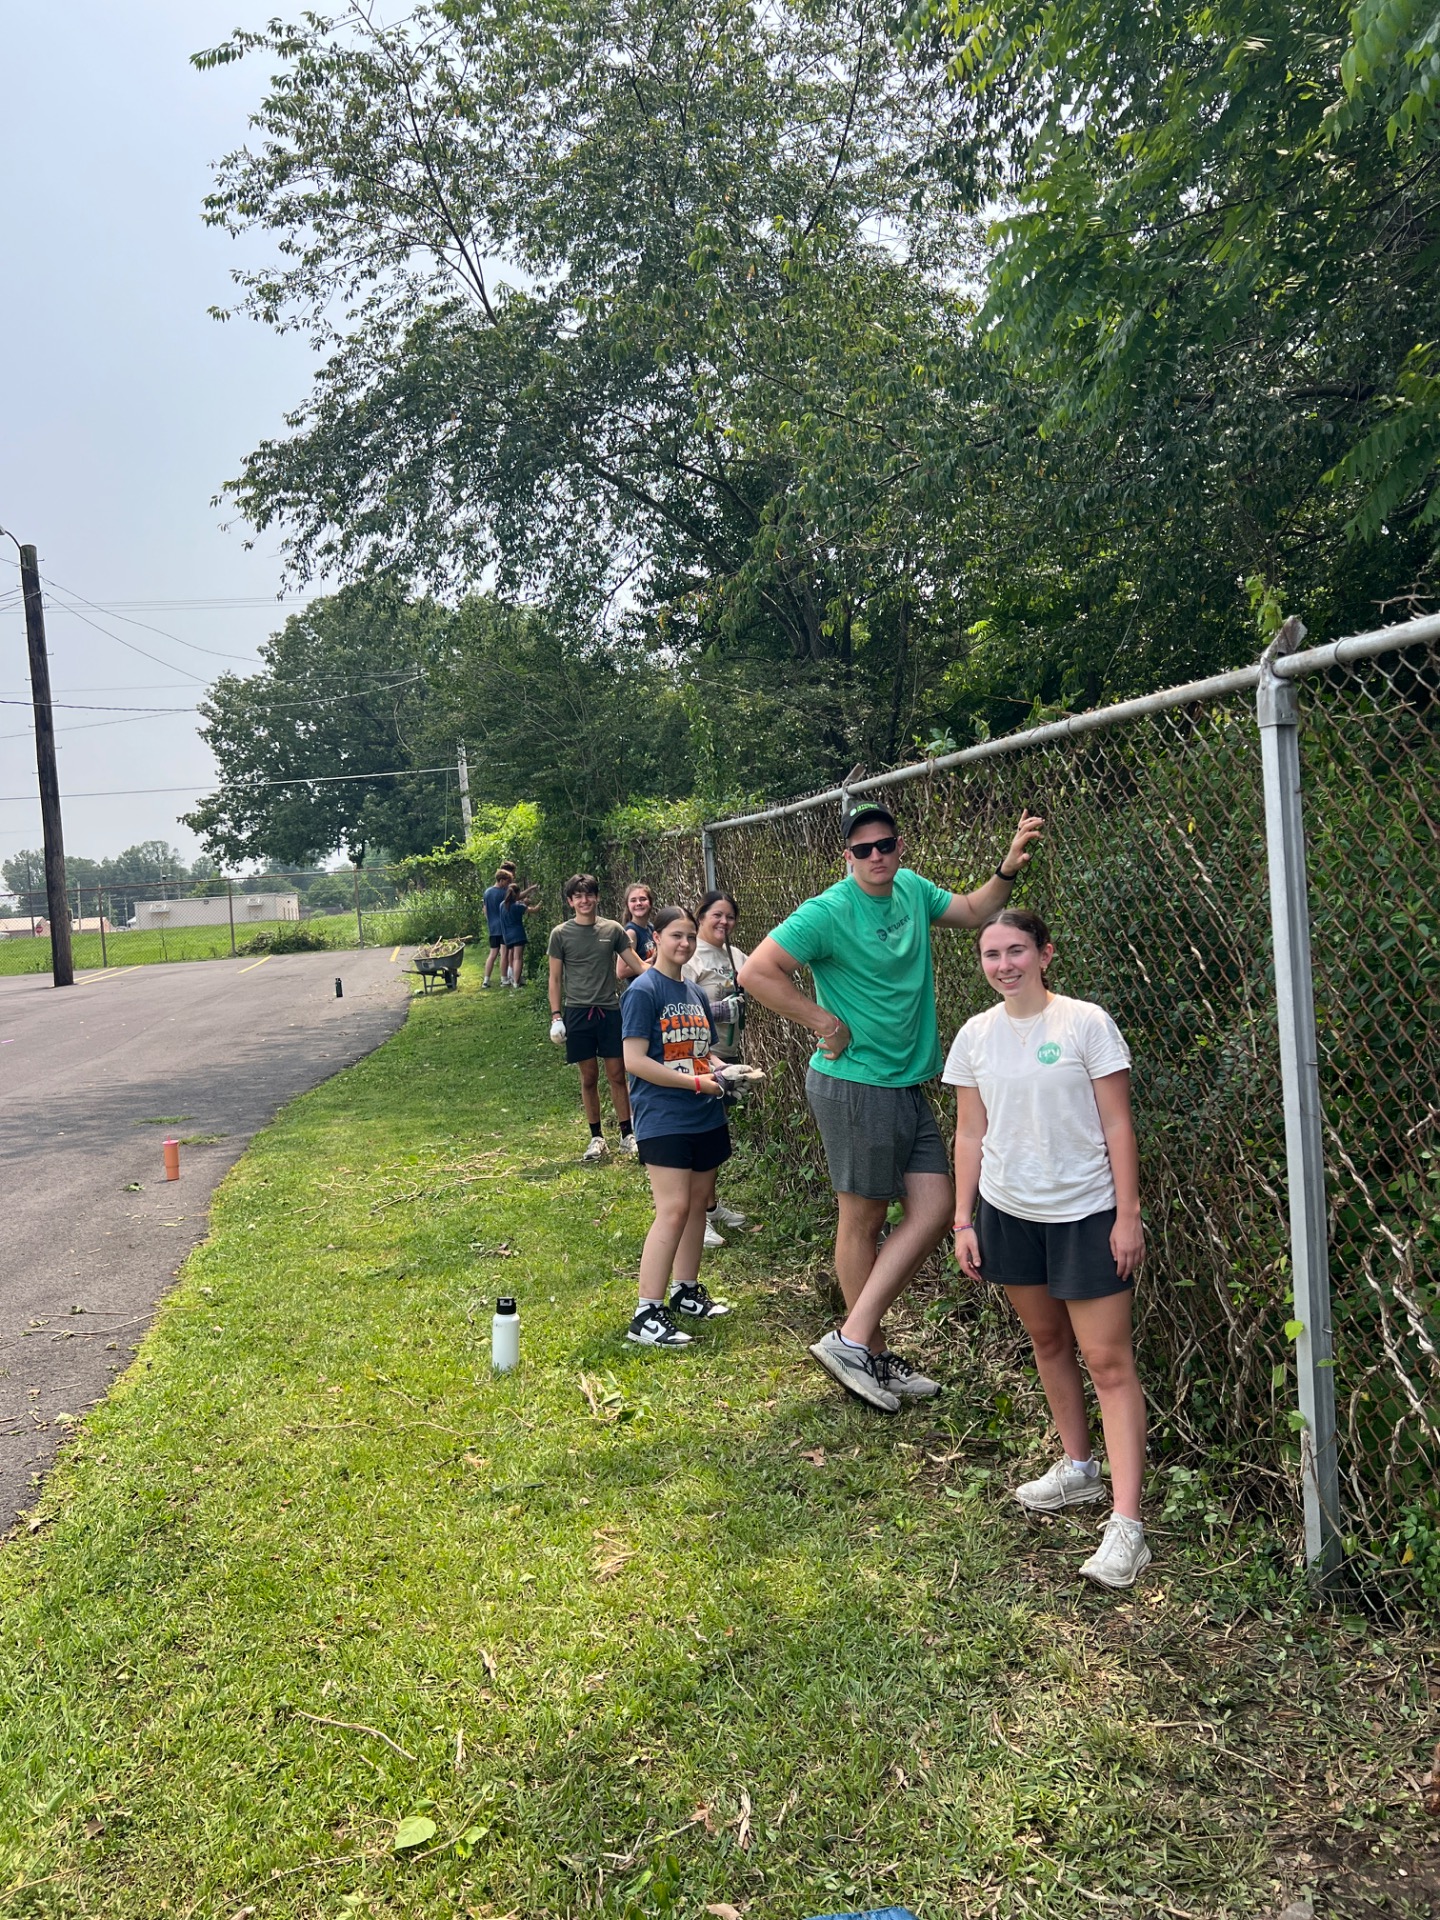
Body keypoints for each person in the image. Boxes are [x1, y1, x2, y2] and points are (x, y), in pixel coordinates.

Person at [738, 802, 1044, 1414]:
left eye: (885, 844)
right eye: (862, 849)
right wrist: (821, 1020)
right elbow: (758, 973)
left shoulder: (911, 889)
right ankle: (867, 1349)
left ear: (899, 847)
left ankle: (856, 1343)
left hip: (906, 1081)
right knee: (863, 1220)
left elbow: (976, 909)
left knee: (934, 1208)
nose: (875, 856)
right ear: (846, 856)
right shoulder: (828, 910)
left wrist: (1007, 867)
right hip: (854, 1083)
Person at [943, 908, 1149, 1588]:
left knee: (1108, 1362)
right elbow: (970, 1133)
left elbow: (1117, 1123)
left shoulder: (1084, 1022)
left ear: (1045, 954)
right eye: (990, 954)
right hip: (1009, 1213)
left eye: (1016, 951)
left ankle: (1127, 1527)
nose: (1004, 965)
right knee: (1048, 1343)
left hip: (1086, 1214)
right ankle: (1079, 1469)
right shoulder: (976, 1035)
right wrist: (963, 1219)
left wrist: (1128, 1215)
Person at [621, 904, 734, 1345]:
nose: (684, 944)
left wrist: (724, 1073)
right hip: (664, 1117)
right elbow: (635, 1061)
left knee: (695, 1204)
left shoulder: (695, 994)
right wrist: (699, 1084)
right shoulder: (643, 991)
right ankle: (646, 1313)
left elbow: (699, 1052)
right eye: (675, 936)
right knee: (671, 1210)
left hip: (704, 1113)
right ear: (656, 941)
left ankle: (685, 1291)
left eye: (690, 936)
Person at [548, 874, 648, 1160]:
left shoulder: (613, 930)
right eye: (578, 896)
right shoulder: (560, 934)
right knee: (589, 1076)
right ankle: (596, 1138)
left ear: (597, 897)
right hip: (578, 1013)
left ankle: (627, 1134)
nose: (584, 900)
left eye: (589, 894)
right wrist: (557, 1016)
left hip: (609, 1011)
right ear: (570, 902)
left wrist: (668, 970)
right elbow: (555, 980)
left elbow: (638, 966)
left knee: (618, 1074)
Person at [683, 889, 750, 1248]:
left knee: (716, 1134)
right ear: (701, 917)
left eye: (730, 917)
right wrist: (719, 1011)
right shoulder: (691, 955)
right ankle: (695, 1217)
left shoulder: (733, 954)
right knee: (702, 1138)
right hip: (700, 1057)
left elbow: (760, 974)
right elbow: (680, 1003)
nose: (724, 922)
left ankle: (708, 1207)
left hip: (729, 1054)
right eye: (716, 915)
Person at [498, 880, 540, 987]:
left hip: (507, 935)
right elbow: (534, 910)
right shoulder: (518, 906)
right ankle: (516, 982)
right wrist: (540, 903)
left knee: (510, 957)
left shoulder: (502, 905)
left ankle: (511, 978)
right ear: (517, 894)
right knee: (518, 958)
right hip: (518, 934)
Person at [482, 863, 517, 988]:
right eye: (507, 882)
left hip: (492, 927)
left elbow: (485, 910)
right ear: (501, 881)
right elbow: (513, 903)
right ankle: (504, 979)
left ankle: (486, 980)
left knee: (492, 954)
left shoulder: (487, 892)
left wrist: (490, 920)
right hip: (503, 927)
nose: (508, 884)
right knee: (504, 953)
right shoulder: (503, 892)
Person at [619, 883, 659, 973]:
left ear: (650, 903)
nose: (638, 903)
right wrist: (654, 963)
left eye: (643, 899)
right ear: (627, 905)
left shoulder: (651, 928)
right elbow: (621, 971)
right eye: (633, 900)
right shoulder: (631, 932)